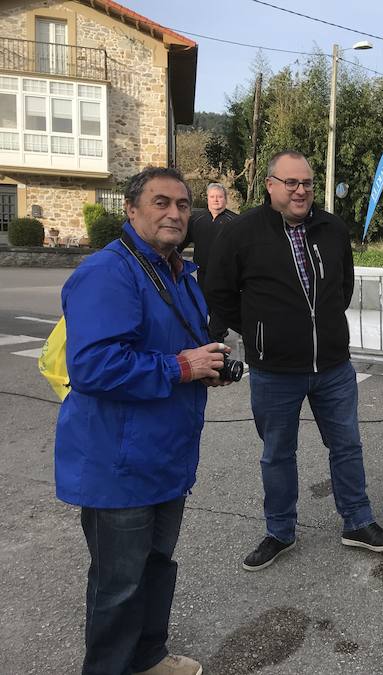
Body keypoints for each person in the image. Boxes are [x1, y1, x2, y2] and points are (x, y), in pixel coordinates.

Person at [55, 167, 230, 675]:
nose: (174, 213)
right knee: (118, 583)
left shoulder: (179, 272)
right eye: (161, 202)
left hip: (165, 456)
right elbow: (92, 366)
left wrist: (205, 370)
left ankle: (149, 657)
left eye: (182, 204)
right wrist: (183, 366)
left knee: (156, 566)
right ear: (131, 210)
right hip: (119, 462)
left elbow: (182, 350)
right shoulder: (108, 272)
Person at [205, 149, 383, 571]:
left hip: (332, 366)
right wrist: (260, 328)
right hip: (274, 370)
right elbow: (218, 291)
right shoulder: (241, 233)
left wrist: (323, 324)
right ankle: (279, 530)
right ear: (270, 185)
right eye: (291, 182)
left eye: (307, 183)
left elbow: (342, 286)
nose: (301, 190)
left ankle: (357, 521)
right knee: (277, 452)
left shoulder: (332, 228)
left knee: (346, 446)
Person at [180, 182, 237, 341]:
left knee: (220, 309)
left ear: (225, 199)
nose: (216, 200)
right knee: (205, 306)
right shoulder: (197, 219)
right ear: (208, 199)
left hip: (225, 276)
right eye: (212, 197)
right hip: (203, 272)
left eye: (219, 197)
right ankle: (218, 331)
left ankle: (216, 339)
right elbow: (182, 241)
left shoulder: (235, 221)